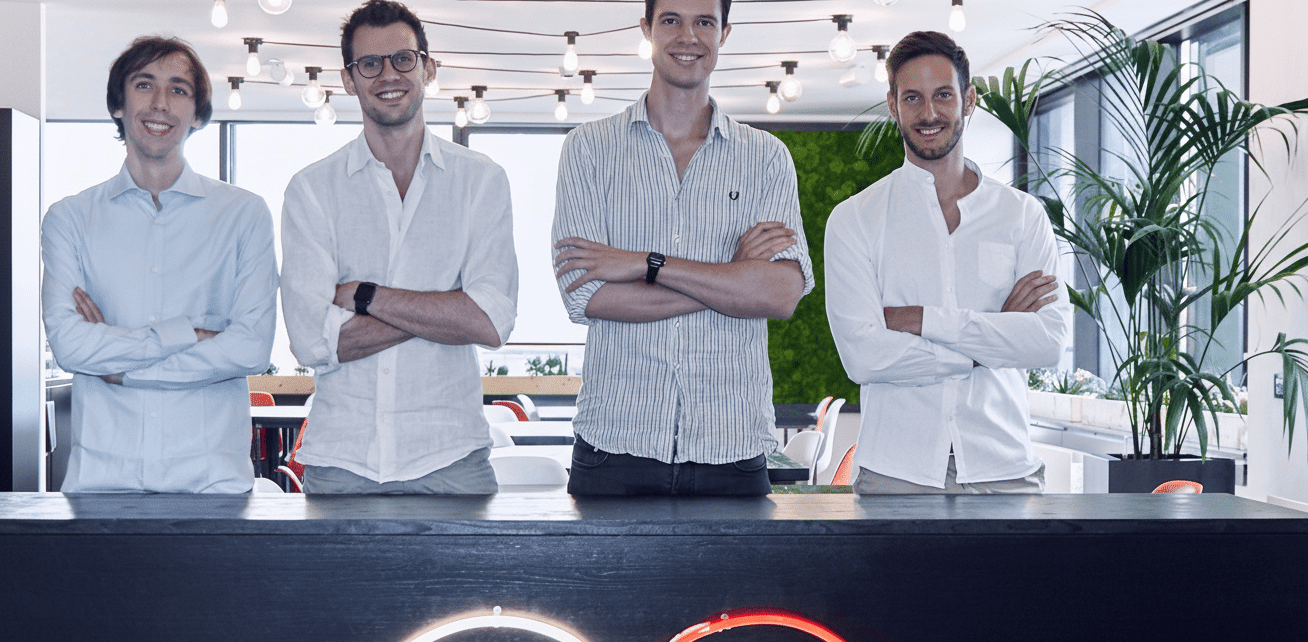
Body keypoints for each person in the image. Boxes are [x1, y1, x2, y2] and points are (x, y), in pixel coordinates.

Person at [552, 0, 812, 497]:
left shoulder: (766, 158)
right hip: (614, 444)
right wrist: (733, 276)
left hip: (732, 448)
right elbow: (586, 297)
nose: (687, 36)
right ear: (646, 28)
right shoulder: (588, 149)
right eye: (670, 20)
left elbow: (780, 295)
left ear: (724, 32)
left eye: (704, 22)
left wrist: (646, 265)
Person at [281, 0, 518, 494]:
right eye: (369, 64)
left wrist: (366, 296)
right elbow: (313, 342)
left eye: (403, 59)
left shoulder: (481, 182)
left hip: (452, 459)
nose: (388, 74)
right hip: (341, 462)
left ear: (429, 69)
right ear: (349, 80)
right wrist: (444, 307)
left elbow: (490, 321)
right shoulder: (312, 190)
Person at [824, 31, 1067, 495]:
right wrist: (991, 338)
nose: (929, 113)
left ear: (968, 99)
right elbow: (864, 356)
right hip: (897, 471)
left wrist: (919, 320)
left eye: (943, 95)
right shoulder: (855, 220)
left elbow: (1046, 343)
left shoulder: (1022, 215)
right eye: (912, 97)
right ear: (893, 106)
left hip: (1005, 469)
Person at [41, 36, 278, 493]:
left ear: (197, 113)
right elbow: (71, 347)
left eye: (179, 89)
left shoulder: (243, 214)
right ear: (118, 104)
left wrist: (118, 365)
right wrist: (188, 334)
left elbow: (250, 349)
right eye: (144, 84)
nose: (160, 104)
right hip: (102, 483)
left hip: (213, 483)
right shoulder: (69, 218)